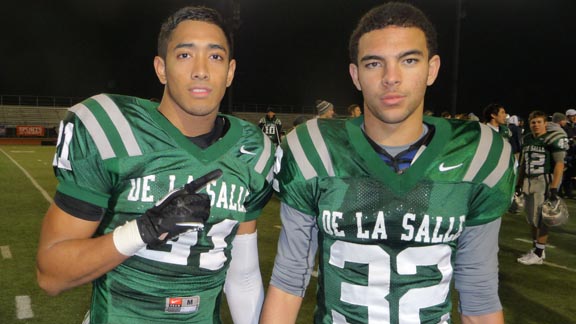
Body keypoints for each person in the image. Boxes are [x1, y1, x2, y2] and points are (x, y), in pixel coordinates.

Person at [261, 2, 514, 324]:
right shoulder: (314, 149)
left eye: (408, 60)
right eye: (373, 64)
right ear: (355, 75)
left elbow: (479, 294)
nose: (390, 78)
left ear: (432, 68)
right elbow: (288, 279)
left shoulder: (477, 154)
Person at [36, 6, 275, 324]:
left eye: (215, 57)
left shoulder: (253, 152)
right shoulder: (114, 132)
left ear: (230, 72)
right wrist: (144, 229)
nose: (201, 70)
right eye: (185, 55)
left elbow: (243, 274)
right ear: (161, 68)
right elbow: (51, 275)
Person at [516, 110, 568, 265]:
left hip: (543, 181)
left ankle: (538, 253)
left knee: (542, 218)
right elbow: (524, 163)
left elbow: (559, 164)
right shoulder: (527, 139)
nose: (536, 125)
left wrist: (554, 188)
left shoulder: (552, 139)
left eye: (539, 122)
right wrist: (519, 183)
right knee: (531, 218)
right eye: (533, 122)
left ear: (545, 123)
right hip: (528, 180)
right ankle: (537, 249)